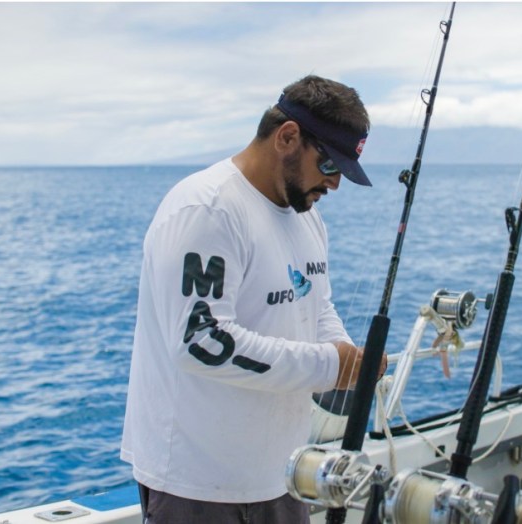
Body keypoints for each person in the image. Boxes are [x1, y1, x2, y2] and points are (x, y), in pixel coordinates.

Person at [121, 75, 384, 524]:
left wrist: (349, 359)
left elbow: (317, 305)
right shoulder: (207, 210)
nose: (336, 184)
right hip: (197, 483)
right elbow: (203, 342)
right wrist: (330, 365)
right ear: (287, 137)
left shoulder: (307, 218)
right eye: (329, 166)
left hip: (283, 475)